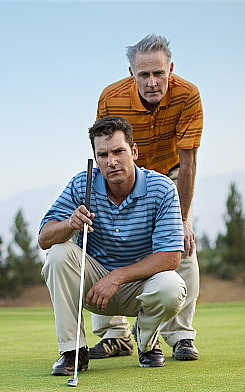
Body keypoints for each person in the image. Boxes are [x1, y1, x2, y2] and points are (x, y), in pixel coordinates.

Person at [38, 116, 186, 373]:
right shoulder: (81, 183)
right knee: (58, 253)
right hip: (93, 289)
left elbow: (170, 256)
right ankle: (73, 351)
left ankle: (147, 343)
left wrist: (116, 277)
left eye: (118, 151)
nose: (112, 161)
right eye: (103, 155)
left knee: (171, 287)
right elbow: (44, 238)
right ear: (96, 159)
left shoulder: (162, 188)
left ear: (134, 152)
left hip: (140, 286)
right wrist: (70, 224)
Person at [89, 33, 203, 362]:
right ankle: (115, 335)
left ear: (171, 70)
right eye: (144, 74)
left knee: (181, 245)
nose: (152, 82)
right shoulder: (110, 97)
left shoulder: (188, 95)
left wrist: (182, 220)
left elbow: (188, 162)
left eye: (158, 73)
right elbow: (104, 146)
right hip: (124, 176)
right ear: (131, 74)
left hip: (170, 175)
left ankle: (180, 335)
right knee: (108, 242)